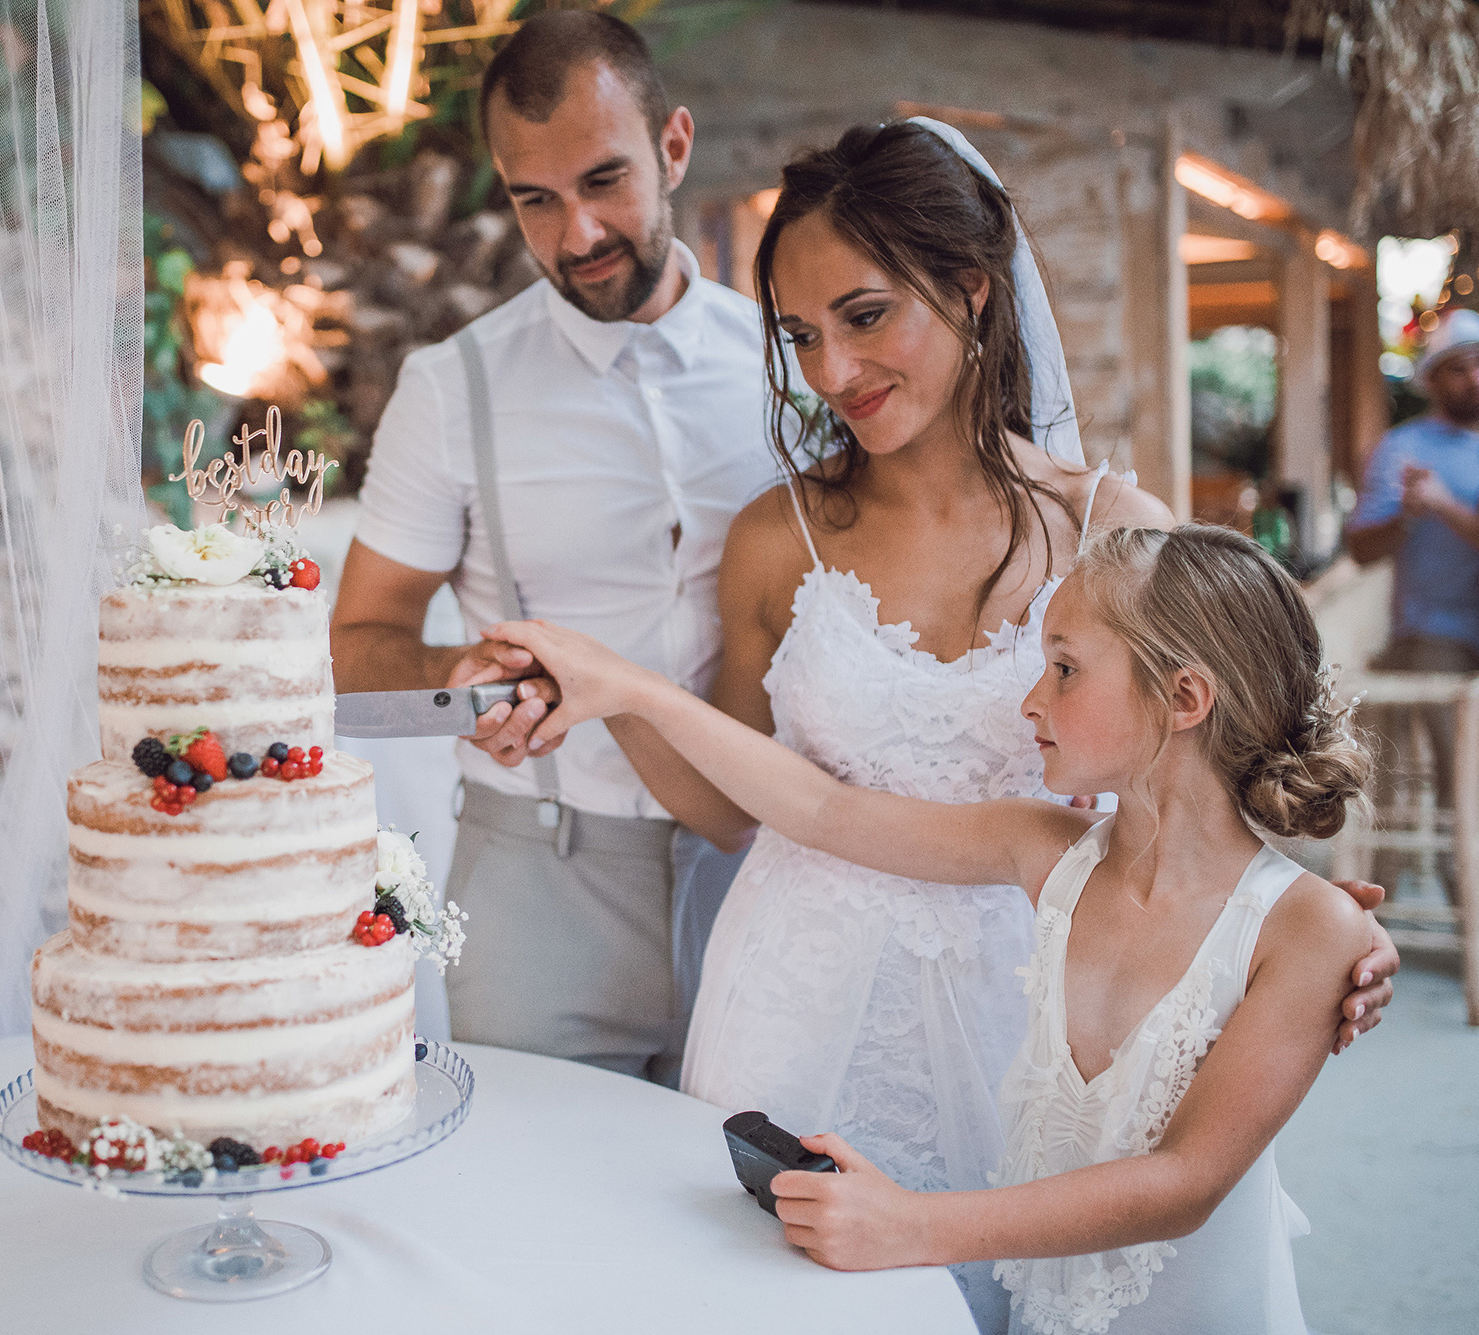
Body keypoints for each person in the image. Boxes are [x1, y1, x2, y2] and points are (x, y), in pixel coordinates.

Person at [491, 121, 1398, 1328]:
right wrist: (612, 696)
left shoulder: (1114, 529)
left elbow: (1199, 789)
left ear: (970, 289)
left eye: (864, 318)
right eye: (800, 337)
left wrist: (1318, 933)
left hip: (1036, 1003)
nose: (829, 373)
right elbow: (741, 810)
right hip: (797, 991)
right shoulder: (775, 538)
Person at [487, 523, 1370, 1335]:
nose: (1030, 700)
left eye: (1063, 667)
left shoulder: (1308, 930)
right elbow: (822, 807)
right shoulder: (1045, 849)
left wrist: (911, 1224)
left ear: (1184, 696)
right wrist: (632, 691)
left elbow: (1184, 1182)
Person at [330, 11, 771, 1084]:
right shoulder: (451, 390)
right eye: (535, 199)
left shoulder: (786, 367)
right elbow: (358, 656)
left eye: (603, 182)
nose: (575, 235)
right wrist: (451, 675)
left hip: (768, 883)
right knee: (537, 1225)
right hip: (541, 889)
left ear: (672, 146)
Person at [1345, 306, 1479, 892]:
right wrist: (1405, 512)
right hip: (1436, 637)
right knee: (1463, 779)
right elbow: (1361, 548)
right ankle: (1456, 906)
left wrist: (1447, 507)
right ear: (1433, 379)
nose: (1473, 377)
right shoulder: (1403, 448)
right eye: (1458, 367)